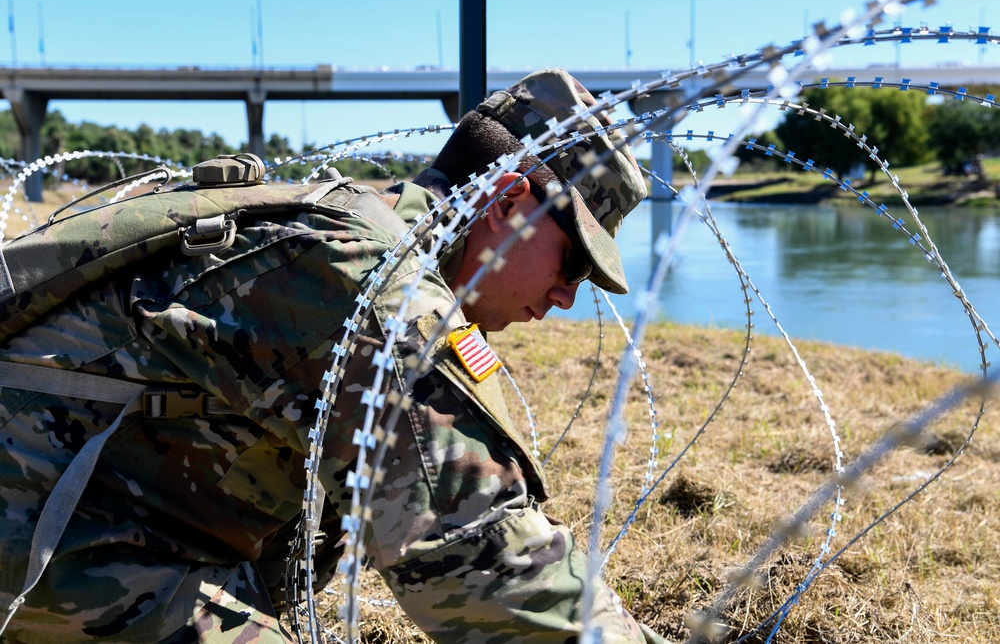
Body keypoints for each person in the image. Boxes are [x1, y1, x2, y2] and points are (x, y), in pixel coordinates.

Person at [0, 68, 664, 643]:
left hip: (81, 526)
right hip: (49, 548)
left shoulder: (365, 234)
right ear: (507, 201)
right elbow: (479, 562)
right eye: (573, 259)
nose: (567, 295)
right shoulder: (373, 278)